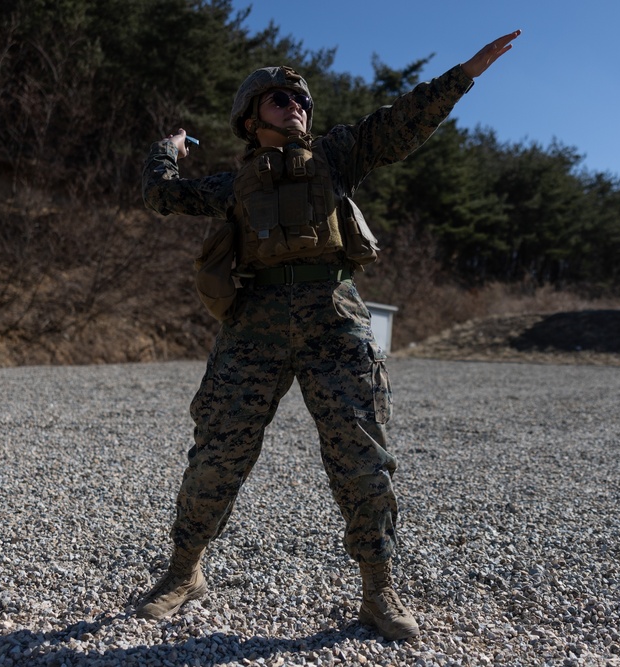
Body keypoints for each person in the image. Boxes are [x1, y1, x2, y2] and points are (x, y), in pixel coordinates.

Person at [135, 30, 521, 641]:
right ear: (250, 115)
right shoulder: (233, 185)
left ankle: (378, 589)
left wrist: (467, 72)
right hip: (254, 324)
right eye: (280, 100)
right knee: (216, 453)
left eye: (302, 101)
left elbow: (405, 120)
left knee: (363, 458)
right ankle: (184, 571)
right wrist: (168, 149)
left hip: (334, 319)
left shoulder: (338, 155)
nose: (297, 107)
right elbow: (159, 196)